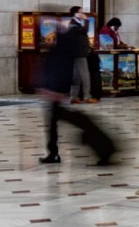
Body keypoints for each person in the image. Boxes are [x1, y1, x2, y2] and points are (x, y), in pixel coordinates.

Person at [36, 16, 114, 166]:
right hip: (56, 90)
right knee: (62, 121)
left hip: (56, 91)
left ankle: (101, 148)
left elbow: (62, 67)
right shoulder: (64, 42)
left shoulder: (64, 43)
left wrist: (57, 90)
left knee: (66, 120)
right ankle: (54, 152)